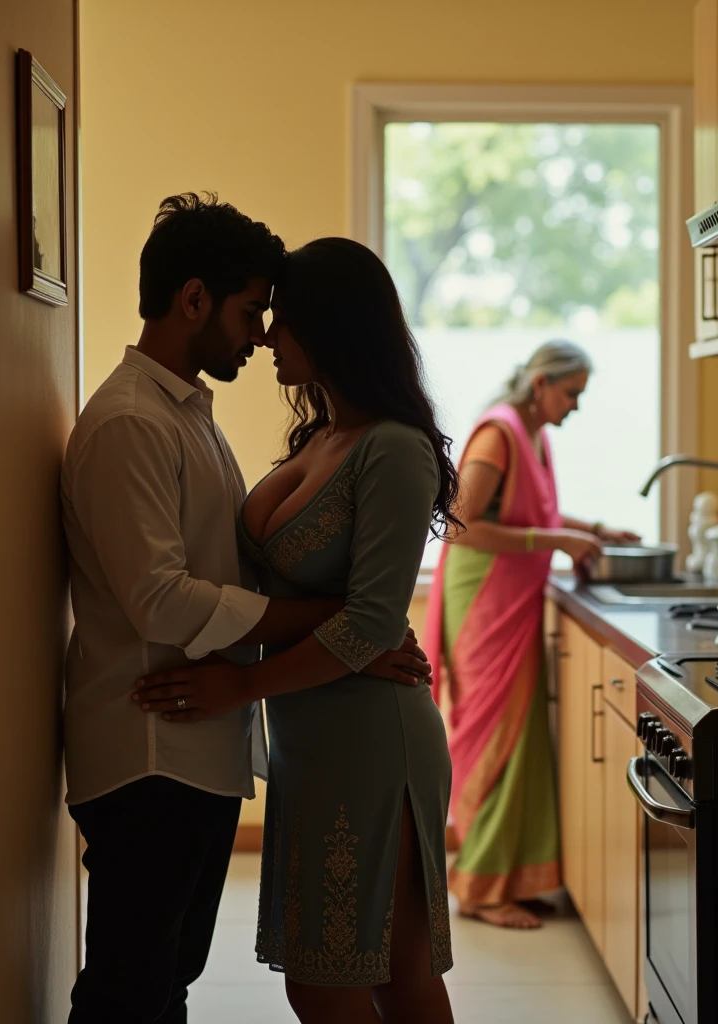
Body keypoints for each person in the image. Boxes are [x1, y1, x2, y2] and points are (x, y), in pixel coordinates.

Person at [61, 196, 430, 1024]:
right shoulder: (133, 423)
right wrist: (339, 624)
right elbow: (163, 599)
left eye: (274, 315)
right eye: (250, 310)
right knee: (136, 985)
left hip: (217, 741)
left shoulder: (188, 413)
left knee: (173, 977)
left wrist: (348, 637)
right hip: (155, 743)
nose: (261, 333)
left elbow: (241, 579)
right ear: (194, 300)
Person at [423, 340, 640, 930]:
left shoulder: (533, 434)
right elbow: (463, 526)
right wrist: (556, 544)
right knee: (498, 743)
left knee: (521, 747)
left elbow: (529, 517)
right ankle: (480, 888)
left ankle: (513, 877)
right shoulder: (498, 434)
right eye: (571, 394)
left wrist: (593, 529)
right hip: (485, 607)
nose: (575, 407)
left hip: (511, 604)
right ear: (541, 383)